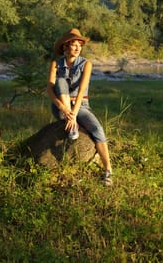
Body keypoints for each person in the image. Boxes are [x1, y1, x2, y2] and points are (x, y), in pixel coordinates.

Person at [47, 28, 113, 185]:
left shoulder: (86, 64)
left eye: (79, 45)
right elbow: (50, 89)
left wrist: (73, 114)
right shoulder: (56, 63)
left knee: (97, 130)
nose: (77, 48)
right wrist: (63, 109)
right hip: (61, 107)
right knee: (60, 81)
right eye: (74, 45)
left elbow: (82, 89)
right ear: (65, 47)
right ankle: (73, 125)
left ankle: (108, 171)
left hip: (80, 105)